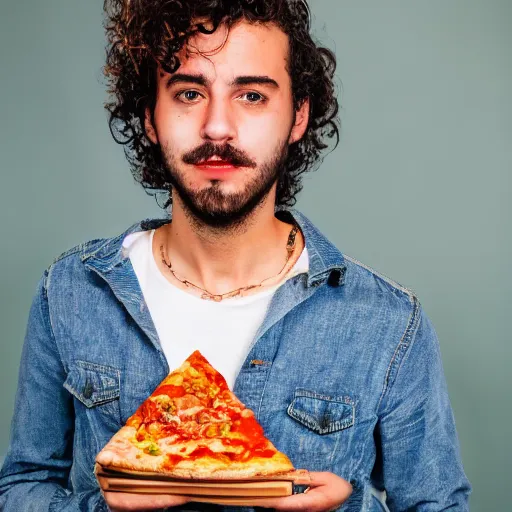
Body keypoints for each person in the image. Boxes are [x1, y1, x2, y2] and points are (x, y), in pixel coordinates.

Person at [0, 0, 471, 510]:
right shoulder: (70, 292)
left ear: (298, 116)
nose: (217, 127)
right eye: (188, 93)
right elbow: (23, 486)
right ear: (150, 118)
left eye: (251, 95)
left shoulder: (389, 324)